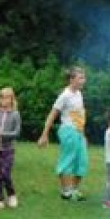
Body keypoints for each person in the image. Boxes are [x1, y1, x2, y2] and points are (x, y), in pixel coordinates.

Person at [38, 65, 88, 202]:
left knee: (82, 161)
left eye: (84, 78)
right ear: (71, 79)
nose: (84, 80)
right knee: (67, 160)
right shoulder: (64, 95)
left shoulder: (79, 94)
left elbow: (80, 115)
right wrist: (44, 134)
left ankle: (74, 190)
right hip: (68, 131)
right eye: (81, 78)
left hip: (78, 132)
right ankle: (66, 191)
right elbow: (52, 115)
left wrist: (83, 135)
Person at [0, 86, 21, 210]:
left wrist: (2, 135)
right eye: (2, 96)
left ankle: (12, 195)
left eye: (7, 97)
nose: (4, 99)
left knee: (5, 174)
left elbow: (17, 133)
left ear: (12, 99)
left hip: (8, 149)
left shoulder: (15, 114)